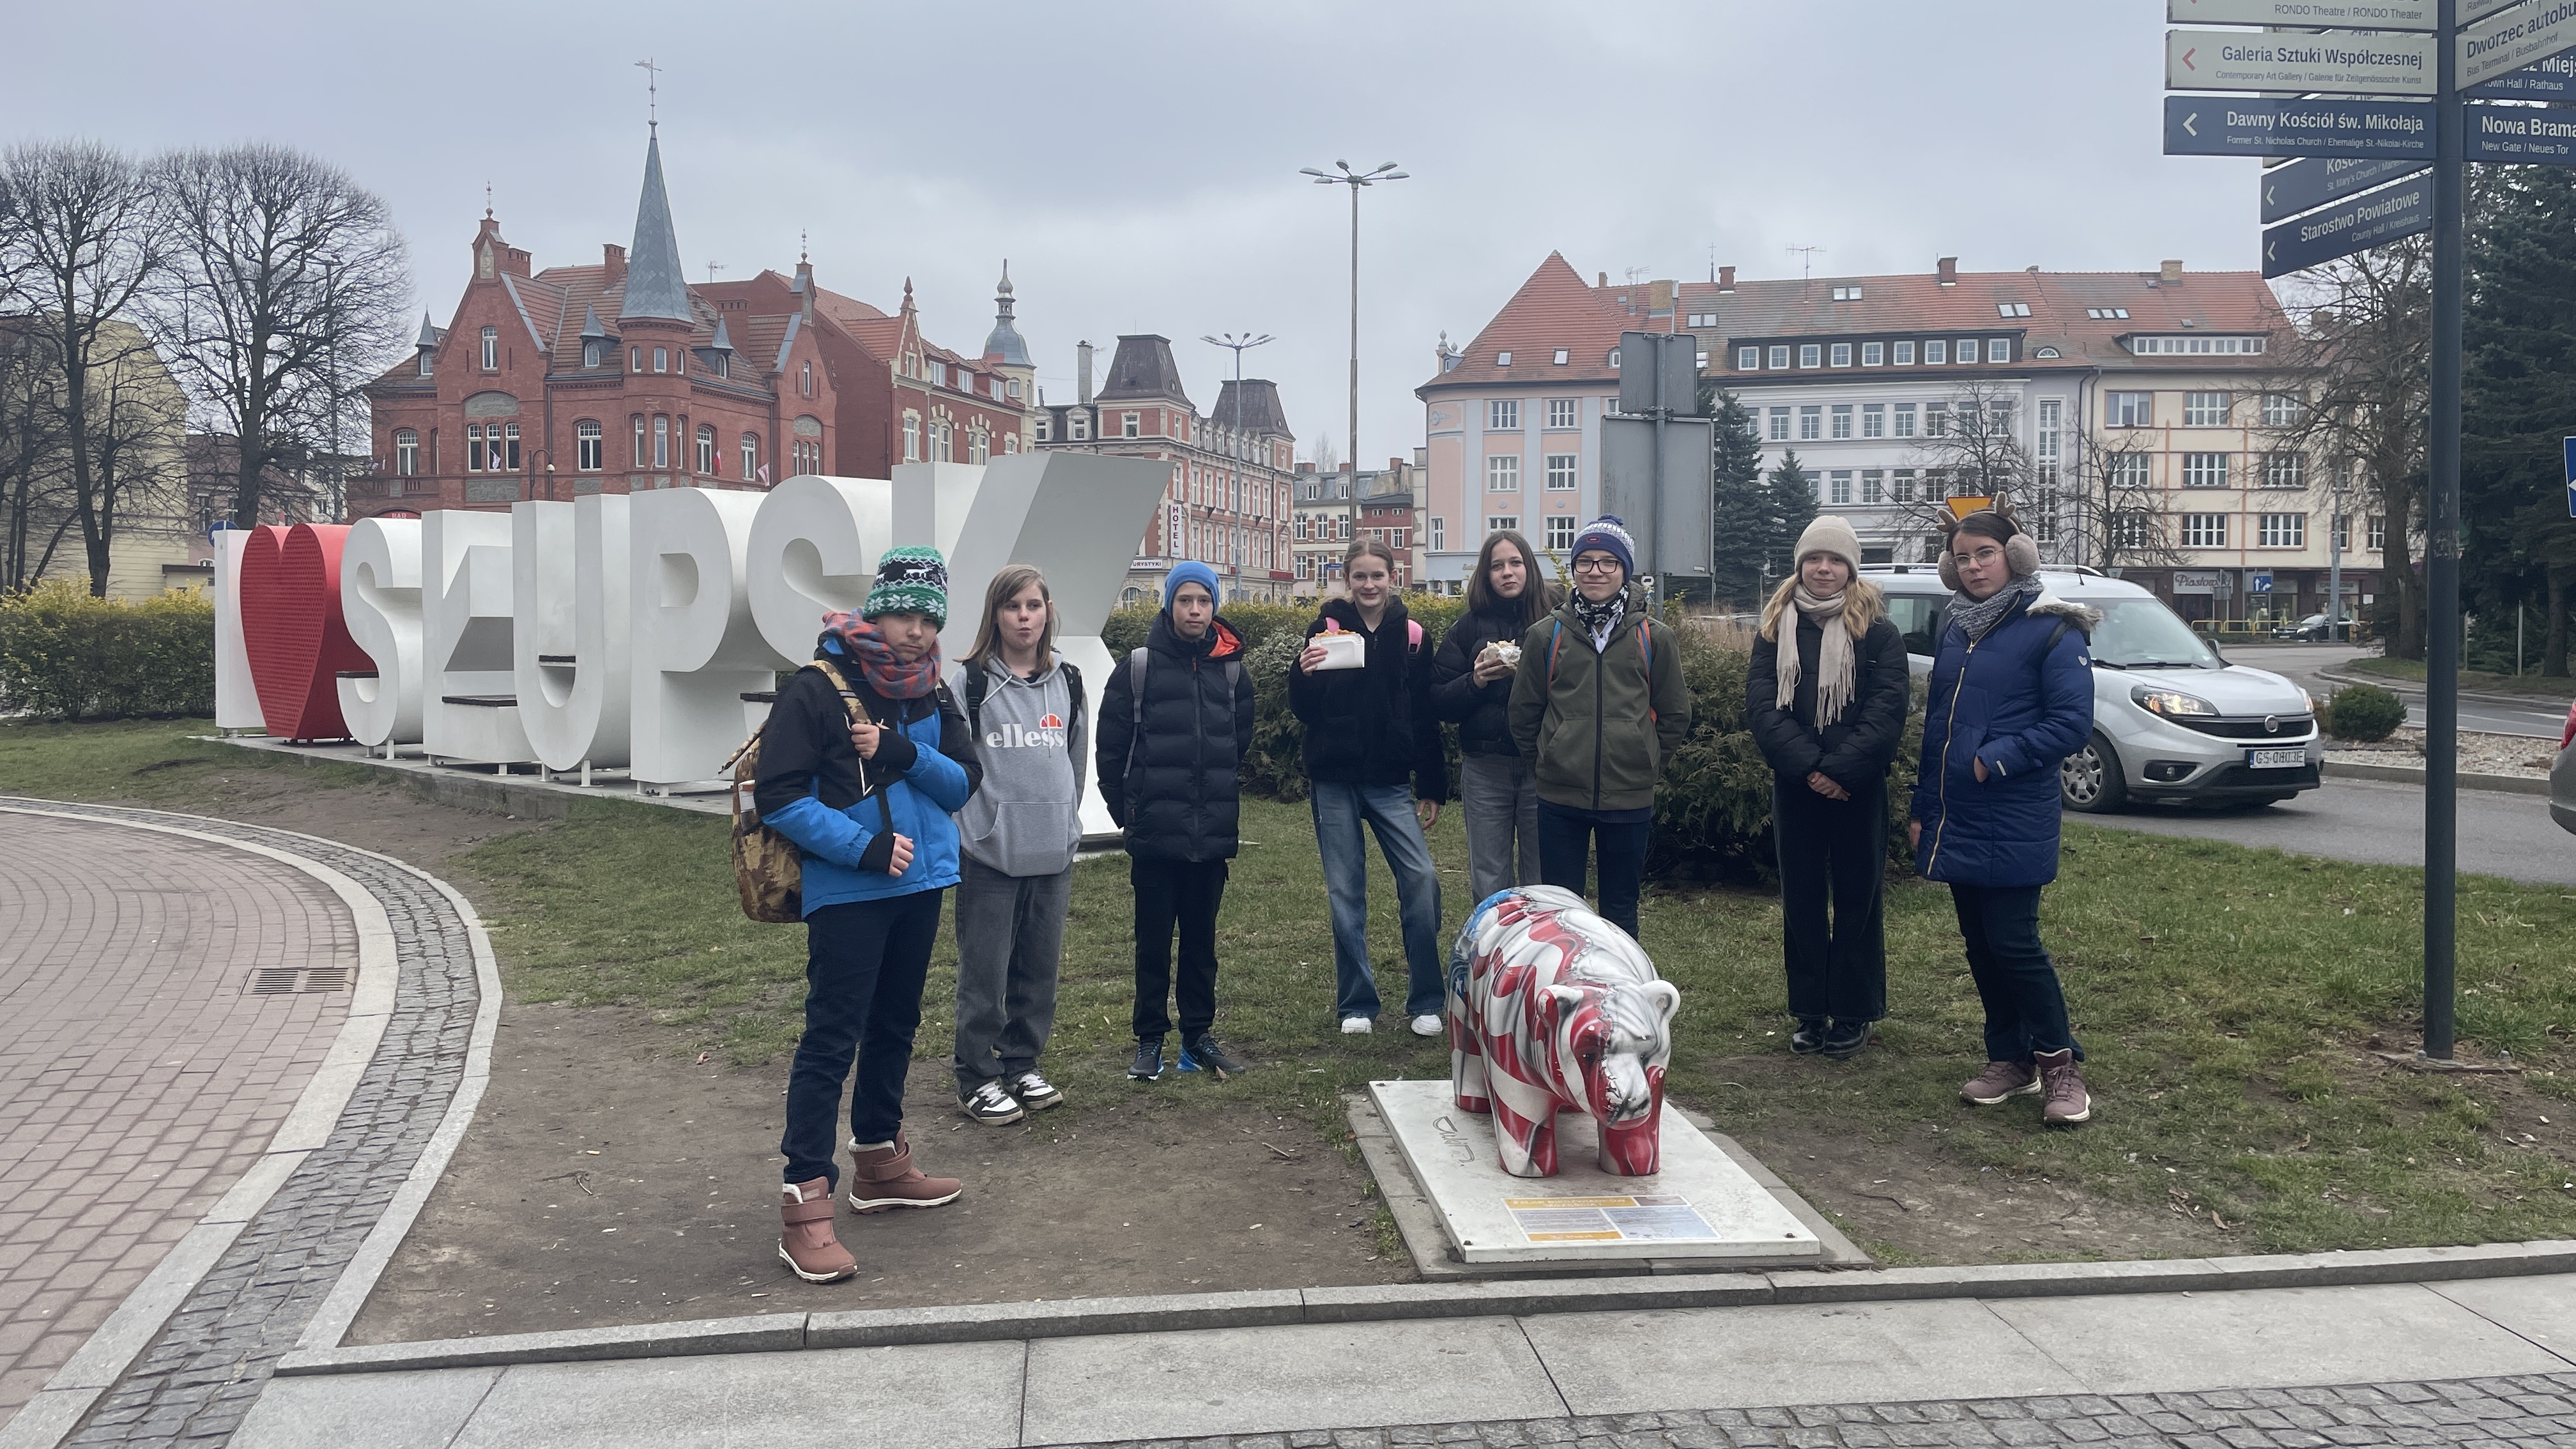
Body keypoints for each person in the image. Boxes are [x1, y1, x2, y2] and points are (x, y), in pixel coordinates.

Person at [758, 546, 979, 1284]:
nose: (915, 631)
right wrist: (861, 849)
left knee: (896, 1026)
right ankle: (805, 1203)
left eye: (928, 618)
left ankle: (880, 1164)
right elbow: (780, 797)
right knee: (831, 1041)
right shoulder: (817, 687)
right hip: (850, 893)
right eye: (903, 614)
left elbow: (961, 785)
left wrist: (899, 752)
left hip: (921, 886)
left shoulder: (933, 690)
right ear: (874, 609)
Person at [1908, 506, 2099, 1126]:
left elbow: (2071, 723)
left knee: (2015, 943)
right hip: (1959, 815)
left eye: (1983, 554)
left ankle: (2061, 1067)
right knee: (1981, 947)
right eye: (1962, 558)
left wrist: (2000, 759)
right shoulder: (1957, 628)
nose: (1972, 566)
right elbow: (1938, 733)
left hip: (2014, 812)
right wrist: (1923, 807)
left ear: (2014, 556)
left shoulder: (2052, 628)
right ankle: (2009, 1059)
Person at [1747, 517, 1910, 1060]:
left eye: (1835, 560)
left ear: (1851, 569)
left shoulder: (1879, 634)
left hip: (1857, 790)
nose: (1824, 569)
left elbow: (1886, 712)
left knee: (1858, 899)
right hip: (1797, 787)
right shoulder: (1774, 631)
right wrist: (1810, 769)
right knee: (1803, 899)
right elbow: (1763, 709)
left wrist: (1839, 772)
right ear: (1800, 566)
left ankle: (1855, 1011)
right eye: (1814, 559)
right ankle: (1810, 1011)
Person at [1096, 560, 1257, 1081]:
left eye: (1204, 601)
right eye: (1185, 600)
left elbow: (1239, 743)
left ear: (1215, 607)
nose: (1195, 610)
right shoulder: (1138, 668)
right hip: (1155, 834)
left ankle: (1197, 1037)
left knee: (1201, 943)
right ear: (1169, 603)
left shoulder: (1232, 671)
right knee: (1152, 942)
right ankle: (1148, 1040)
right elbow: (1111, 748)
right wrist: (1129, 813)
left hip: (1209, 833)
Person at [943, 565, 1085, 1126]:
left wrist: (1067, 826)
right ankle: (975, 1076)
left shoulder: (1069, 681)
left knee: (1039, 969)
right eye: (1013, 607)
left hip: (1052, 853)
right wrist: (974, 829)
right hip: (990, 854)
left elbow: (1074, 763)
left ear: (1048, 611)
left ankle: (1022, 1062)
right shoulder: (969, 683)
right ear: (995, 615)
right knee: (985, 972)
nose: (1024, 617)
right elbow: (956, 767)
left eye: (1033, 605)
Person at [1290, 539, 1450, 1037]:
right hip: (1334, 779)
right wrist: (1303, 674)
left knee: (1421, 881)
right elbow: (1304, 708)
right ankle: (1357, 1004)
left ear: (1392, 576)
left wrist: (1431, 784)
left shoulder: (1413, 635)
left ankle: (1427, 998)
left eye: (1377, 575)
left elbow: (1424, 715)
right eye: (1359, 576)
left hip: (1389, 782)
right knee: (1346, 893)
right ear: (1346, 579)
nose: (1369, 585)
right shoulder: (1327, 628)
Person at [1507, 515, 1691, 942]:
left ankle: (1620, 997)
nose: (1595, 571)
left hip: (1629, 795)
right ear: (1573, 569)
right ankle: (1565, 999)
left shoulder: (1654, 637)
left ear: (1625, 570)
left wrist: (1646, 760)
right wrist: (1550, 759)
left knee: (1621, 910)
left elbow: (1675, 713)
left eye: (1608, 562)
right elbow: (1524, 714)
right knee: (1562, 911)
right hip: (1559, 797)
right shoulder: (1545, 636)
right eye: (1585, 561)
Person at [1432, 530, 1554, 908]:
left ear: (1529, 569)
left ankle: (1541, 962)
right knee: (1489, 877)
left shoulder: (1555, 624)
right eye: (1497, 566)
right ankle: (1492, 960)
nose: (1507, 573)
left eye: (1515, 563)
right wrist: (1476, 681)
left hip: (1544, 766)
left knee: (1544, 879)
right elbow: (1438, 701)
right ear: (1485, 576)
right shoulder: (1467, 628)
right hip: (1486, 768)